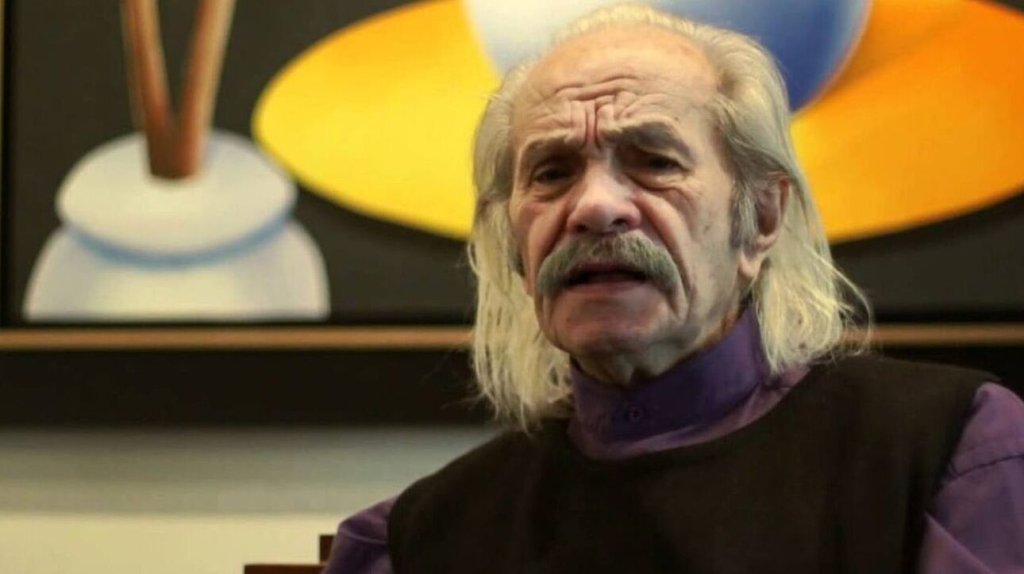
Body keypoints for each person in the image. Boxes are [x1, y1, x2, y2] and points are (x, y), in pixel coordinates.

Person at [324, 5, 1024, 572]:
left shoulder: (951, 453)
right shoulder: (423, 539)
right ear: (513, 242)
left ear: (760, 218)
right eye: (552, 172)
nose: (595, 207)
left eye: (654, 161)